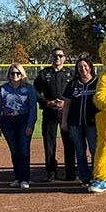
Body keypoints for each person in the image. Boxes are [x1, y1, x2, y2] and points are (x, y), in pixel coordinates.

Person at [0, 63, 38, 188]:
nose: (15, 75)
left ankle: (25, 179)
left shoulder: (28, 88)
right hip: (8, 121)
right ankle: (18, 178)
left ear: (22, 74)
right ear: (9, 75)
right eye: (12, 73)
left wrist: (30, 124)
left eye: (18, 73)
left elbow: (33, 108)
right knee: (14, 151)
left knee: (24, 150)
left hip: (23, 120)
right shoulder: (3, 88)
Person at [34, 47, 74, 181]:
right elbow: (35, 91)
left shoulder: (70, 73)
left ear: (64, 58)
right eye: (55, 56)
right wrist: (46, 102)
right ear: (51, 58)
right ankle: (51, 173)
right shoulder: (44, 74)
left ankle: (70, 173)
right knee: (49, 143)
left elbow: (76, 91)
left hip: (66, 113)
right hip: (50, 112)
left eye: (60, 56)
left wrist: (67, 103)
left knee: (69, 143)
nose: (57, 58)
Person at [60, 56, 98, 187]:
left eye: (85, 66)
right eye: (80, 67)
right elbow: (67, 104)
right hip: (75, 123)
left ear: (90, 67)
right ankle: (84, 178)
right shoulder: (73, 84)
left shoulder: (97, 82)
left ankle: (96, 176)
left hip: (93, 123)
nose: (83, 69)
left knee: (95, 150)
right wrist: (64, 122)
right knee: (80, 151)